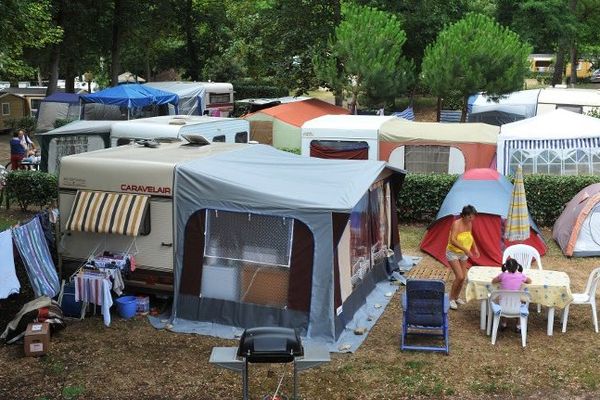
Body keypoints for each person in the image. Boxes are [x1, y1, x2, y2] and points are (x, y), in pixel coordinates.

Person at [446, 204, 480, 310]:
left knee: (463, 278)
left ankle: (456, 297)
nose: (472, 218)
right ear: (464, 215)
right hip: (453, 253)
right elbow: (453, 240)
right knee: (459, 276)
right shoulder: (456, 224)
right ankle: (451, 299)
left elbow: (470, 236)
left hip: (463, 253)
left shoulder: (469, 223)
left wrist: (475, 249)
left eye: (473, 216)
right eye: (470, 216)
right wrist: (466, 250)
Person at [491, 258, 531, 331]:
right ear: (517, 266)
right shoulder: (521, 276)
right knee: (523, 302)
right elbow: (529, 281)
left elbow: (493, 281)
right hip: (517, 306)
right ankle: (518, 326)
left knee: (502, 301)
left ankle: (504, 324)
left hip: (503, 305)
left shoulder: (502, 275)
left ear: (506, 267)